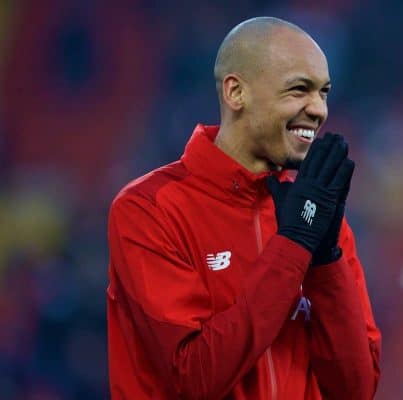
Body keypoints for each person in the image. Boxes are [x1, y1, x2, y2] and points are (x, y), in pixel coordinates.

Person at [106, 16, 381, 400]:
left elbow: (356, 389)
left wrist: (324, 262)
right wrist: (294, 245)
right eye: (299, 90)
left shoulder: (316, 216)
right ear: (236, 93)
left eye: (324, 92)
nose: (319, 109)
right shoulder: (149, 209)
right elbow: (194, 377)